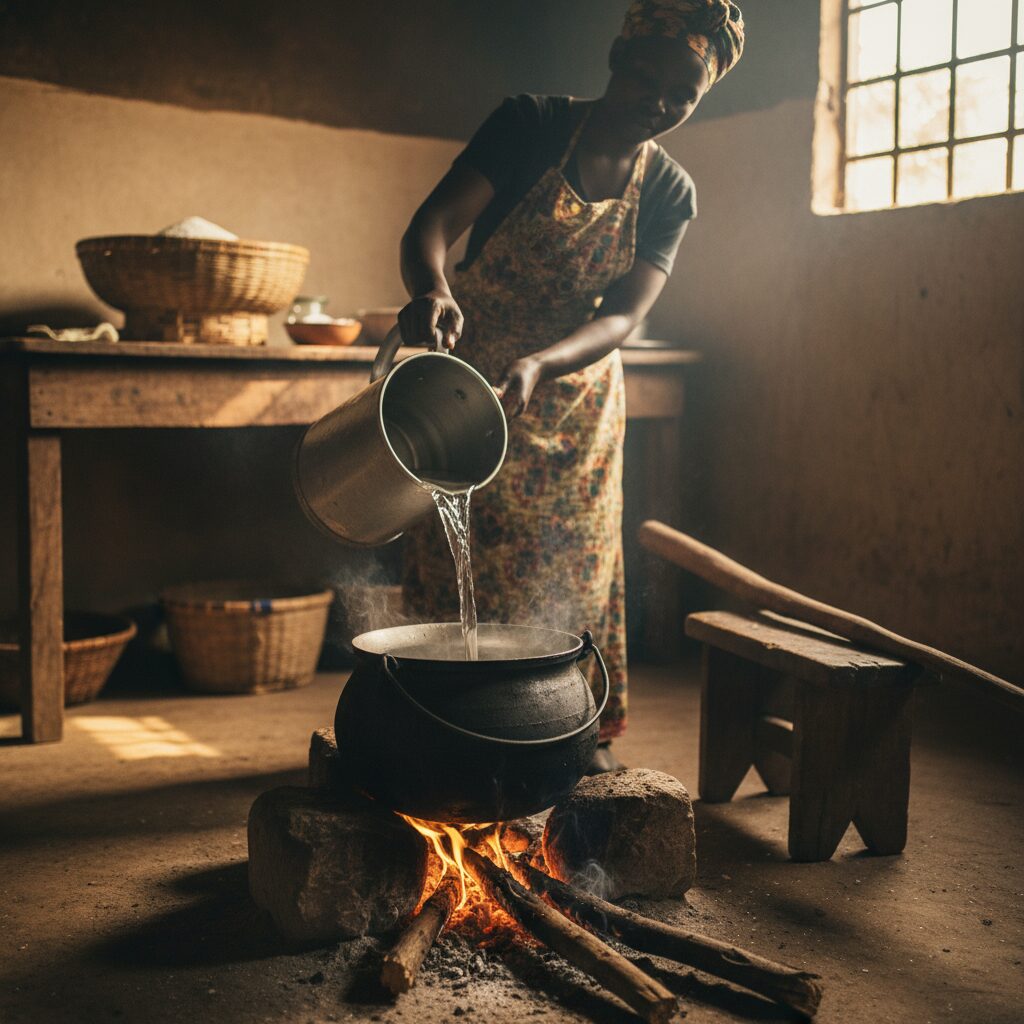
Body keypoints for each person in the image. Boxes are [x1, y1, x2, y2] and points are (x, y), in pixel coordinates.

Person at [396, 0, 745, 773]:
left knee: (574, 567)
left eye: (681, 94)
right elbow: (430, 229)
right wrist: (433, 292)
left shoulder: (669, 191)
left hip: (573, 392)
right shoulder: (532, 124)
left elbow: (623, 316)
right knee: (462, 558)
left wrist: (544, 363)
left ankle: (566, 730)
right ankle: (445, 725)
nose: (656, 99)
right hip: (468, 370)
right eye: (647, 73)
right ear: (620, 56)